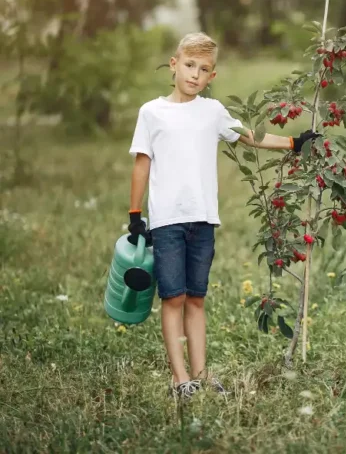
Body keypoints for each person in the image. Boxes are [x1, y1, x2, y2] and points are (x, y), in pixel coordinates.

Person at [127, 32, 319, 398]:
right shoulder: (151, 112)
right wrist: (135, 214)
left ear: (212, 77)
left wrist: (293, 143)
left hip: (203, 220)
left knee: (196, 298)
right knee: (173, 298)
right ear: (174, 64)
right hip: (166, 220)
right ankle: (180, 379)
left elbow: (249, 137)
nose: (194, 75)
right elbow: (141, 162)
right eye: (188, 65)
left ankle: (200, 374)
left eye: (203, 70)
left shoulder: (212, 112)